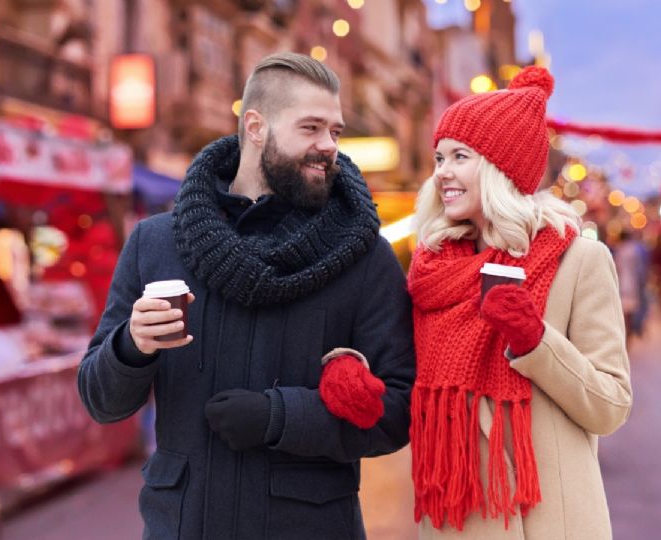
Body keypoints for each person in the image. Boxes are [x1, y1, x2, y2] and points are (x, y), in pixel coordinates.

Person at [77, 52, 415, 539]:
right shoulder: (156, 244)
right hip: (183, 526)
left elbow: (399, 411)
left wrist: (284, 416)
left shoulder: (363, 257)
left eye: (335, 132)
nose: (329, 147)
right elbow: (100, 400)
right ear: (255, 127)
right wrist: (131, 346)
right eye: (311, 128)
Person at [406, 67, 632, 539]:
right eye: (439, 157)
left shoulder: (579, 261)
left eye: (460, 156)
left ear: (499, 167)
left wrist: (536, 342)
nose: (442, 171)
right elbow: (400, 374)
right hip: (457, 522)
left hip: (550, 523)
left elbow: (610, 406)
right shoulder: (429, 273)